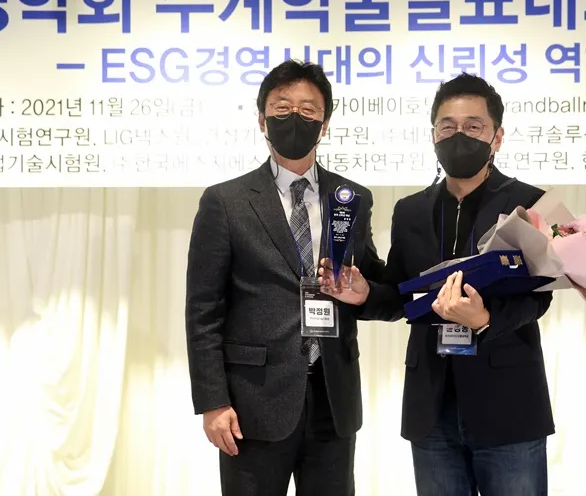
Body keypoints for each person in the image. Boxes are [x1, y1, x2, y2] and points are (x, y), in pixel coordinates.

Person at [320, 73, 555, 495]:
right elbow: (400, 294)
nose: (458, 136)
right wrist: (365, 294)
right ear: (433, 135)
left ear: (497, 137)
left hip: (509, 404)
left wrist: (485, 318)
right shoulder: (411, 210)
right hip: (431, 407)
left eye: (473, 126)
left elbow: (538, 298)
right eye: (447, 127)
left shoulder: (527, 202)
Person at [185, 59, 384, 496]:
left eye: (308, 110)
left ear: (324, 124)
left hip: (333, 399)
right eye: (282, 107)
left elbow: (372, 286)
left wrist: (365, 293)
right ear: (262, 119)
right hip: (252, 403)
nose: (295, 117)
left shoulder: (352, 197)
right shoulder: (225, 201)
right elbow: (203, 311)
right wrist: (213, 401)